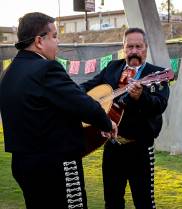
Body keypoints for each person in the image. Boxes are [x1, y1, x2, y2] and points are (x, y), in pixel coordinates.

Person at [0, 12, 117, 209]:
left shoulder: (8, 74)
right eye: (54, 36)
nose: (58, 42)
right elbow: (82, 103)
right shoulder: (46, 69)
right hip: (56, 165)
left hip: (23, 165)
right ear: (39, 40)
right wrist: (107, 122)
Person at [80, 27, 170, 209]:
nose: (134, 51)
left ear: (146, 47)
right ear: (124, 47)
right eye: (130, 47)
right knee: (112, 202)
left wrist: (140, 96)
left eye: (138, 47)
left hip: (140, 148)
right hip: (112, 148)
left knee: (144, 201)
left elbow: (159, 105)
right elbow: (90, 86)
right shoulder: (113, 67)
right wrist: (75, 94)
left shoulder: (157, 75)